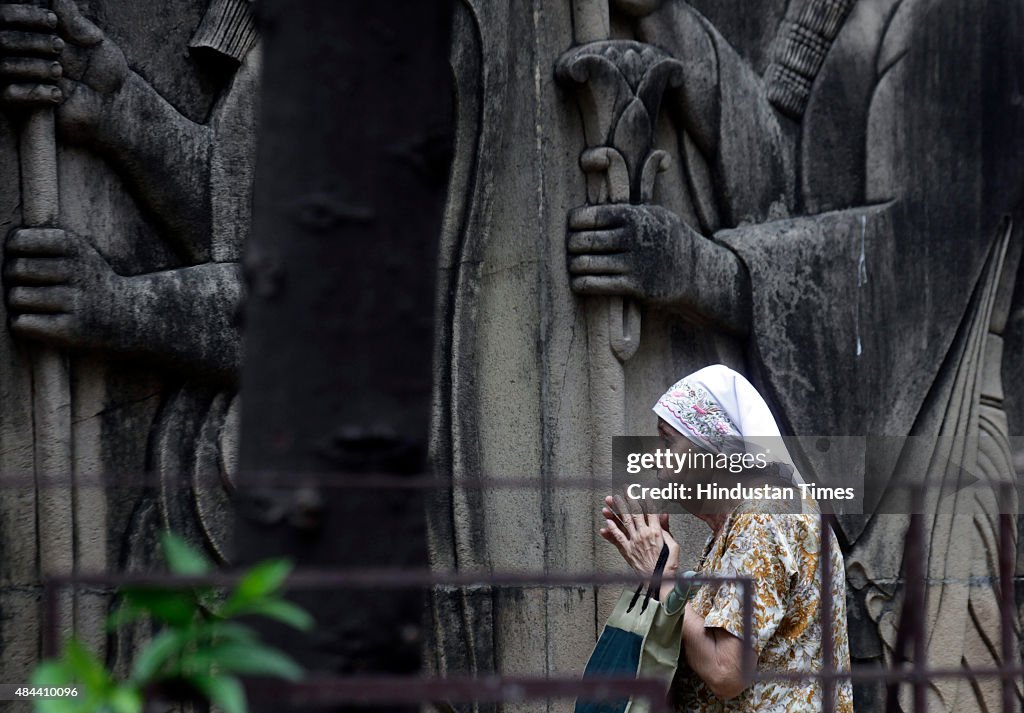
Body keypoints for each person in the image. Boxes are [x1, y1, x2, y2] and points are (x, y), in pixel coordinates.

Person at [600, 364, 852, 711]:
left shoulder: (764, 516)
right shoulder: (744, 522)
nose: (658, 463)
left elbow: (726, 671)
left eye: (667, 440)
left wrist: (663, 581)